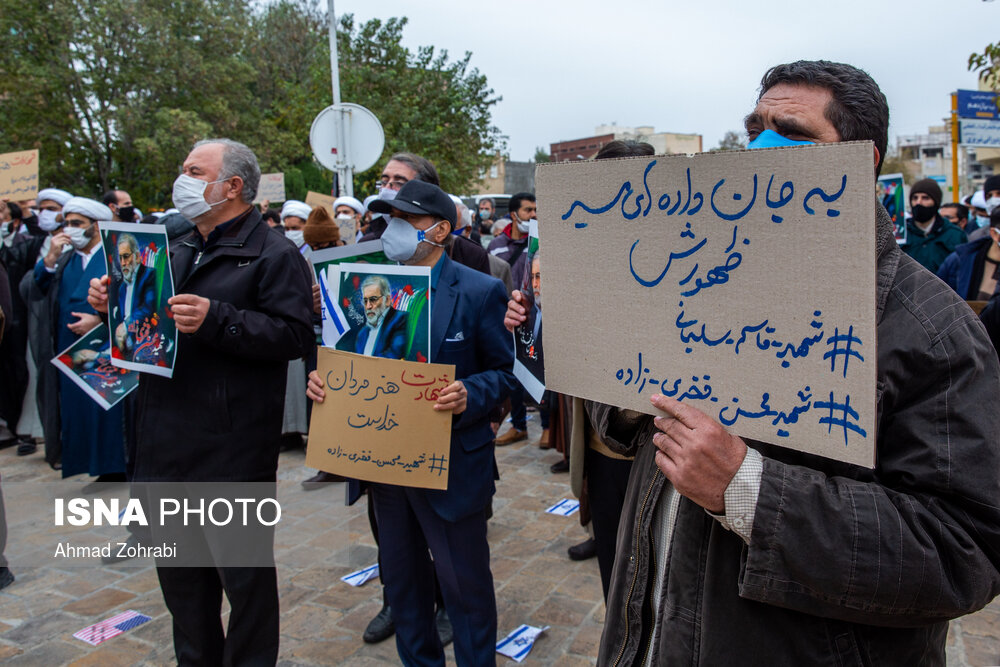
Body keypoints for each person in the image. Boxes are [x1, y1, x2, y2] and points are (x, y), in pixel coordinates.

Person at [582, 60, 1000, 666]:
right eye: (755, 129)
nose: (762, 148)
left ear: (863, 161)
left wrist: (748, 490)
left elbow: (963, 551)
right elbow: (615, 428)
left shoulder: (932, 331)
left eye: (794, 135)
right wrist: (627, 385)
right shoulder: (694, 275)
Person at [88, 138, 314, 665]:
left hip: (230, 451)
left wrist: (219, 319)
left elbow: (294, 337)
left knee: (245, 584)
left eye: (194, 170)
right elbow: (147, 324)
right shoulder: (175, 240)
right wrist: (111, 305)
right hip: (164, 443)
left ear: (232, 186)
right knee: (183, 588)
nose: (181, 178)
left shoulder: (275, 253)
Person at [308, 179, 515, 665]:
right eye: (389, 220)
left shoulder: (479, 290)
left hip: (452, 472)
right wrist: (325, 385)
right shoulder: (364, 289)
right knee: (404, 591)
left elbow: (506, 374)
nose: (393, 230)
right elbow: (345, 361)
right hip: (385, 472)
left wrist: (471, 392)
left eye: (407, 221)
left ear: (441, 230)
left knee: (465, 592)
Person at [23, 196, 126, 481]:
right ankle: (87, 463)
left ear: (95, 226)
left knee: (107, 411)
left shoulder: (114, 254)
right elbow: (35, 288)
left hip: (105, 347)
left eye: (77, 223)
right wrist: (50, 258)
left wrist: (100, 321)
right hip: (70, 348)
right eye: (67, 223)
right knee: (77, 410)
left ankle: (114, 466)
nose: (70, 229)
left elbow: (131, 300)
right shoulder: (65, 258)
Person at [491, 192, 537, 447]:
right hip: (504, 319)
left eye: (535, 210)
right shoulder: (496, 245)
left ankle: (549, 427)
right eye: (528, 210)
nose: (533, 215)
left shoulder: (541, 243)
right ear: (513, 214)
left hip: (534, 320)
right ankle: (518, 425)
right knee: (514, 375)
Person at [901, 178, 966, 273]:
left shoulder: (955, 235)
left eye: (925, 198)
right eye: (915, 198)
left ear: (936, 202)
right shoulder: (901, 232)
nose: (918, 202)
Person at [110, 233, 157, 356]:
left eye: (126, 256)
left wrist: (126, 326)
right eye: (120, 258)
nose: (123, 263)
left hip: (147, 345)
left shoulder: (149, 275)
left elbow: (148, 308)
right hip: (126, 348)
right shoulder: (122, 288)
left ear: (137, 256)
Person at [354, 275, 409, 359]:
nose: (368, 306)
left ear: (387, 300)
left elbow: (394, 357)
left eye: (373, 299)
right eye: (365, 301)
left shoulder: (400, 320)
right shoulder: (362, 334)